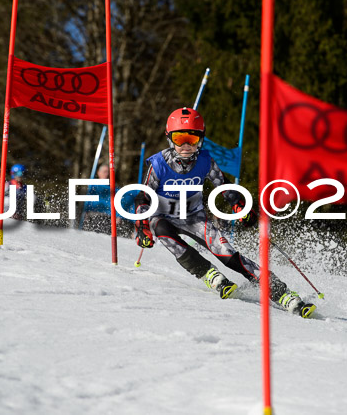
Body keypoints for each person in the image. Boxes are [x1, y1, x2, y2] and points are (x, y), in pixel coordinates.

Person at [134, 107, 316, 318]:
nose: (185, 145)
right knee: (164, 232)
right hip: (163, 216)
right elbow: (142, 198)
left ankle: (283, 294)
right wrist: (142, 227)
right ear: (169, 138)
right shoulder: (159, 164)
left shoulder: (205, 161)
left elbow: (224, 187)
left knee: (227, 253)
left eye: (192, 139)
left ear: (200, 140)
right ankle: (209, 274)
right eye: (179, 138)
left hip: (193, 217)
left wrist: (240, 206)